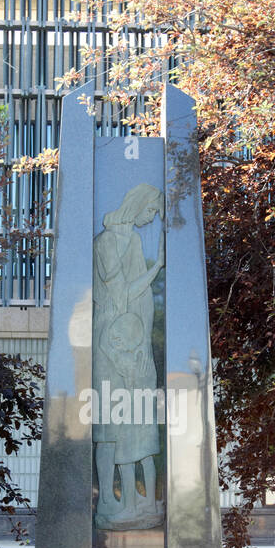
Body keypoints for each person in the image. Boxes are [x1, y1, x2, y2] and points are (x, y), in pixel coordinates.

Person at [92, 182, 164, 529]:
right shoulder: (106, 242)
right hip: (110, 340)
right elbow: (120, 296)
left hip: (130, 340)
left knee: (124, 430)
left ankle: (125, 503)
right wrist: (156, 269)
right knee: (107, 427)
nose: (151, 219)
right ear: (136, 205)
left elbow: (135, 301)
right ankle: (107, 499)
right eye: (150, 211)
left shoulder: (133, 240)